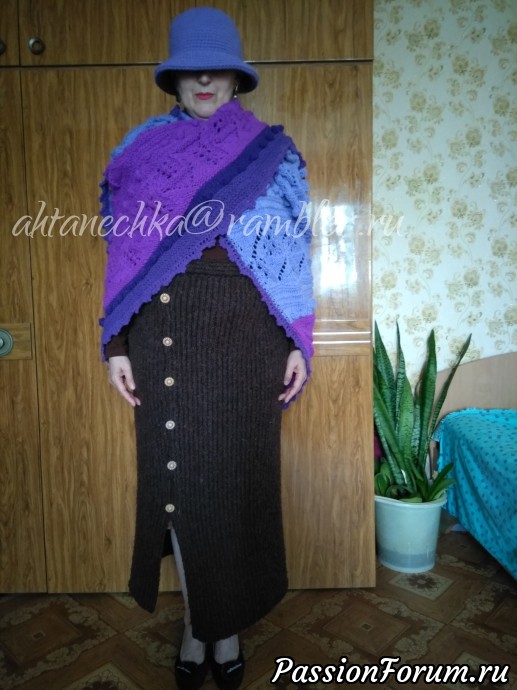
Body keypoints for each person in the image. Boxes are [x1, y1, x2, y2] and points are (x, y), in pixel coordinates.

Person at [99, 7, 315, 690]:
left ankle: (224, 627)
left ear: (235, 77)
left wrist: (298, 342)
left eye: (215, 69)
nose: (202, 81)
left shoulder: (273, 153)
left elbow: (293, 253)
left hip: (247, 344)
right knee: (179, 490)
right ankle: (201, 626)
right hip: (163, 338)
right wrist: (117, 343)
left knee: (232, 490)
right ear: (173, 77)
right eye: (190, 69)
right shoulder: (139, 151)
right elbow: (123, 256)